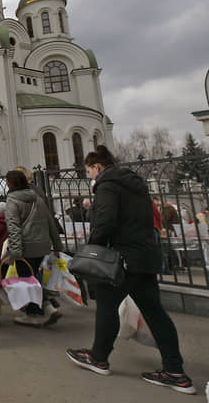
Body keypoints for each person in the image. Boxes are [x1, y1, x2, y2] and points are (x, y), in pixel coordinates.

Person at [66, 146, 196, 394]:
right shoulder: (135, 185)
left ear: (97, 167)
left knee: (106, 306)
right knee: (155, 312)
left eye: (89, 171)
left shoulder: (107, 185)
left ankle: (98, 358)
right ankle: (175, 371)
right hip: (145, 256)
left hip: (121, 258)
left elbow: (105, 221)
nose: (90, 176)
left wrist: (92, 248)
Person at [4, 169, 63, 326]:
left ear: (10, 184)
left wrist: (15, 252)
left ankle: (37, 312)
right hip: (42, 246)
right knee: (34, 277)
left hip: (25, 248)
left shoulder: (12, 201)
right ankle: (45, 308)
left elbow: (14, 228)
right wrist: (57, 245)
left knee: (28, 281)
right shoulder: (37, 198)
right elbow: (50, 222)